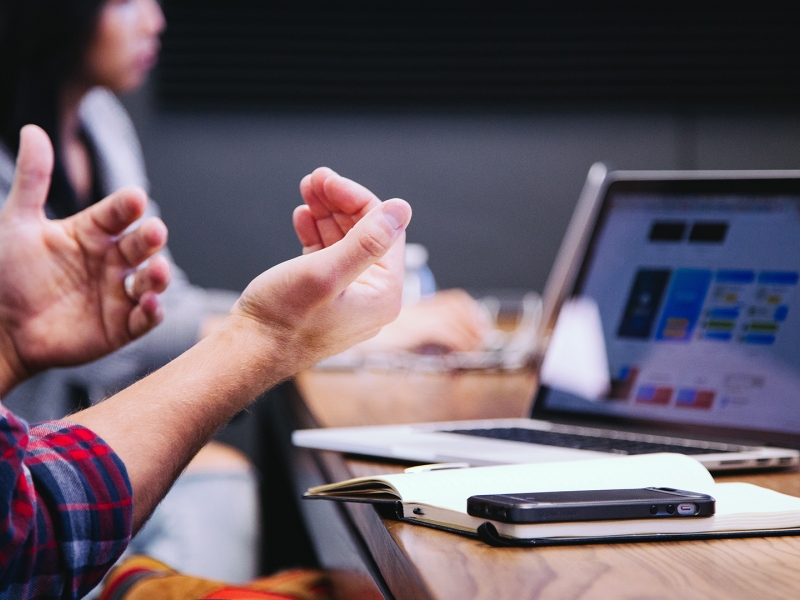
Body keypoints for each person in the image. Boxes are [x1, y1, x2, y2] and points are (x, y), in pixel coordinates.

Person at [0, 0, 489, 581]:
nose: (154, 19)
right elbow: (32, 526)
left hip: (50, 464)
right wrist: (287, 332)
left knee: (228, 483)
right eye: (126, 1)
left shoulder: (100, 121)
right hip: (37, 475)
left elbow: (152, 307)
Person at [0, 123, 412, 599]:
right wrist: (267, 336)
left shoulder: (100, 120)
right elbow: (27, 529)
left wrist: (8, 342)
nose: (156, 40)